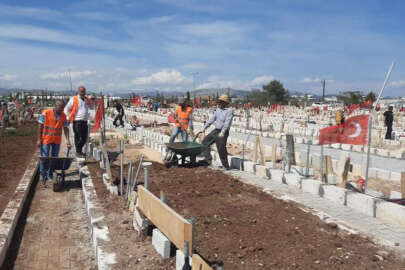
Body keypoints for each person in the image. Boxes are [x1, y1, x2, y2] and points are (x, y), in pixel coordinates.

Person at [37, 100, 71, 186]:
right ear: (55, 106)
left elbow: (66, 128)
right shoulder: (46, 113)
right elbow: (40, 126)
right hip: (46, 139)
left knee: (54, 158)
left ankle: (51, 174)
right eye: (60, 108)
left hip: (56, 140)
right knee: (45, 158)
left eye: (63, 108)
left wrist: (67, 140)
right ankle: (43, 177)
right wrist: (39, 139)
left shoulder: (63, 116)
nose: (62, 110)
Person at [201, 94, 233, 170]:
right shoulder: (218, 110)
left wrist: (223, 132)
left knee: (221, 148)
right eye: (219, 101)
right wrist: (204, 127)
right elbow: (212, 119)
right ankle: (208, 160)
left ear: (226, 103)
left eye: (221, 102)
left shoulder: (229, 111)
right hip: (216, 130)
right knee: (205, 142)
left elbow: (227, 123)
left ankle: (226, 166)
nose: (220, 103)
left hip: (223, 131)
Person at [64, 86, 90, 158]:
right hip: (77, 121)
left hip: (84, 121)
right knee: (78, 137)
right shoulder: (74, 99)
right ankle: (78, 152)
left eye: (83, 91)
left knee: (84, 138)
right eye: (81, 91)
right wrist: (68, 117)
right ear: (78, 92)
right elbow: (66, 109)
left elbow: (89, 107)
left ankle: (79, 151)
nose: (82, 93)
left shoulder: (86, 100)